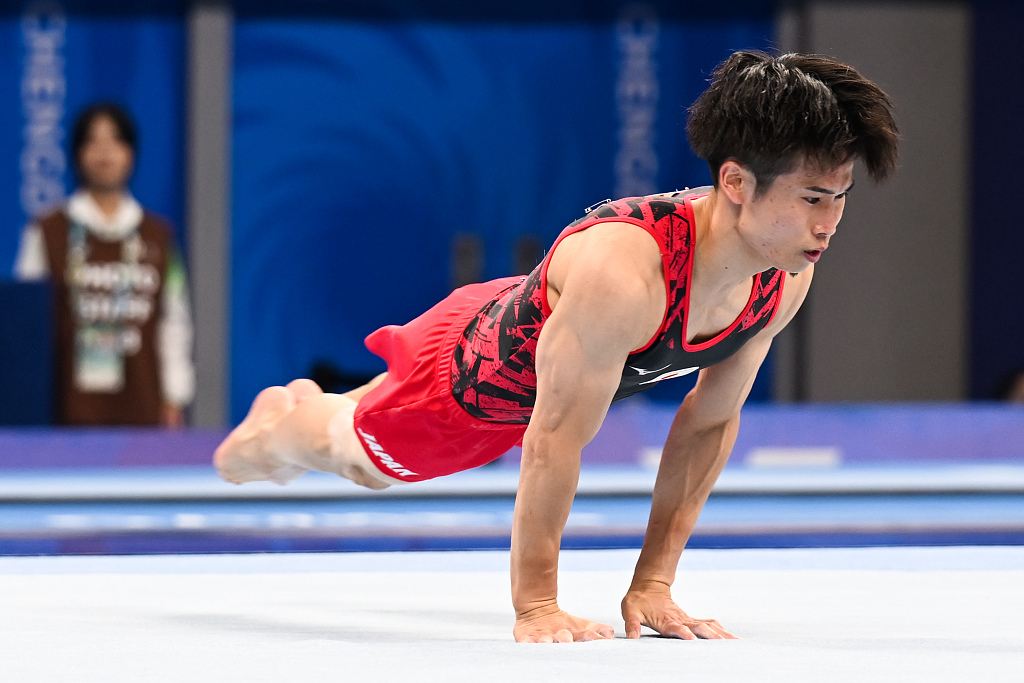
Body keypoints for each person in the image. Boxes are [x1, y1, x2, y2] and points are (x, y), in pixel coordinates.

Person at [215, 51, 898, 642]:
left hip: (526, 316)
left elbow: (709, 422)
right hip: (464, 390)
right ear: (736, 182)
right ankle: (283, 422)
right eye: (812, 198)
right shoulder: (626, 276)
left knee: (379, 425)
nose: (829, 222)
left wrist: (652, 584)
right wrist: (537, 603)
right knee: (355, 459)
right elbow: (551, 438)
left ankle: (321, 407)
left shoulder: (782, 280)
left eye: (840, 198)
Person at [13, 103, 195, 427]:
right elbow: (27, 329)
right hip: (64, 412)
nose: (105, 153)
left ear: (131, 153)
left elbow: (174, 321)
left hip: (143, 408)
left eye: (115, 141)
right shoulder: (47, 231)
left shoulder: (158, 236)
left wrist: (175, 395)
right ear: (77, 153)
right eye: (93, 141)